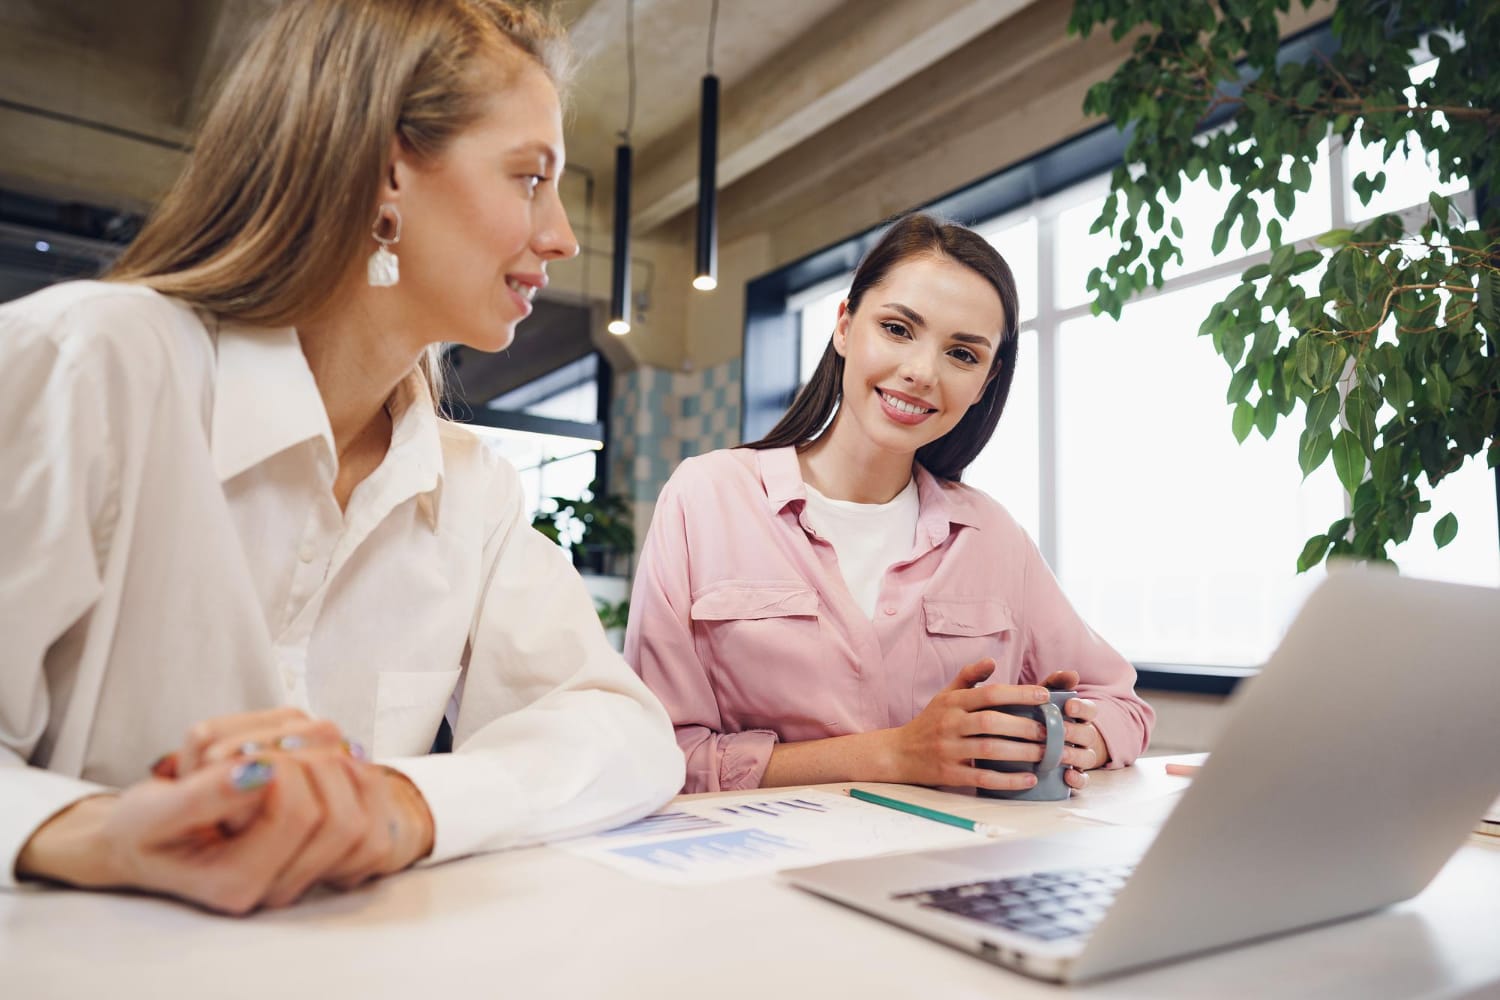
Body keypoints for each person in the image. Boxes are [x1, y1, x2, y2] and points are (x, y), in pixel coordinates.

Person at [0, 0, 683, 913]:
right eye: (530, 177)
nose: (560, 235)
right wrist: (97, 833)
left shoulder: (473, 488)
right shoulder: (90, 364)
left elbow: (623, 731)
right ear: (388, 173)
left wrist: (401, 803)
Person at [626, 213, 1154, 794]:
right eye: (898, 329)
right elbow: (658, 755)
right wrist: (892, 755)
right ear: (845, 326)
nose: (921, 373)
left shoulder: (991, 534)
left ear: (985, 382)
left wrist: (1077, 737)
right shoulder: (706, 497)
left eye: (962, 354)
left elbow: (1122, 705)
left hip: (959, 849)